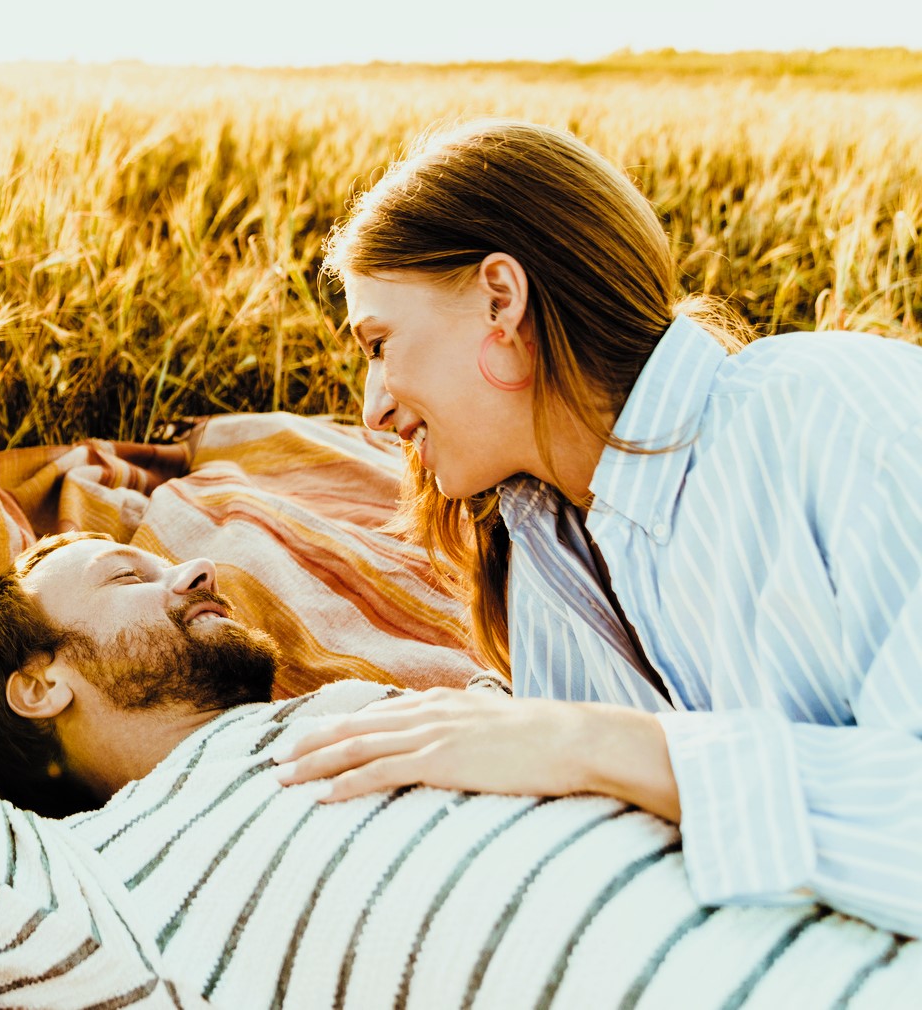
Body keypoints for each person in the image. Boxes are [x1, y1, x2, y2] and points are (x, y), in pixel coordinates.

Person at [0, 533, 916, 1008]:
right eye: (126, 575)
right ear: (41, 682)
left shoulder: (381, 700)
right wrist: (5, 789)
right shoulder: (90, 879)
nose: (190, 569)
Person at [285, 117, 922, 938]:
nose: (370, 408)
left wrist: (601, 745)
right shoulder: (536, 563)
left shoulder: (836, 416)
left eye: (379, 343)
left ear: (500, 301)